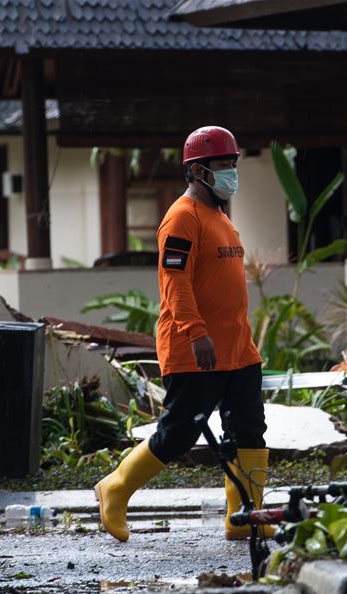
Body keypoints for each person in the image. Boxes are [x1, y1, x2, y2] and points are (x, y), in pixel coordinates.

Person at [94, 126, 273, 542]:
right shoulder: (182, 217)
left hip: (238, 351)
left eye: (232, 162)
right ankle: (115, 488)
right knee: (178, 433)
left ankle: (243, 517)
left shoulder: (221, 217)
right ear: (197, 171)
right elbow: (174, 283)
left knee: (249, 431)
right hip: (195, 349)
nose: (230, 171)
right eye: (220, 164)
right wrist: (196, 333)